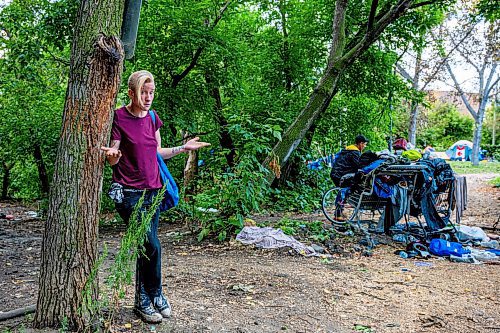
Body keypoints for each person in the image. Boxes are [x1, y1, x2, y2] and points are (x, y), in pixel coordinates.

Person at [101, 70, 210, 323]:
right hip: (129, 192)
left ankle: (143, 300)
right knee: (152, 244)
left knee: (146, 246)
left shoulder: (152, 118)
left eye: (151, 92)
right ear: (131, 93)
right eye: (143, 92)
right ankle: (156, 293)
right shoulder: (119, 117)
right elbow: (113, 152)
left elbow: (158, 152)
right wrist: (112, 158)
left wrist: (183, 148)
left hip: (153, 191)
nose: (148, 97)